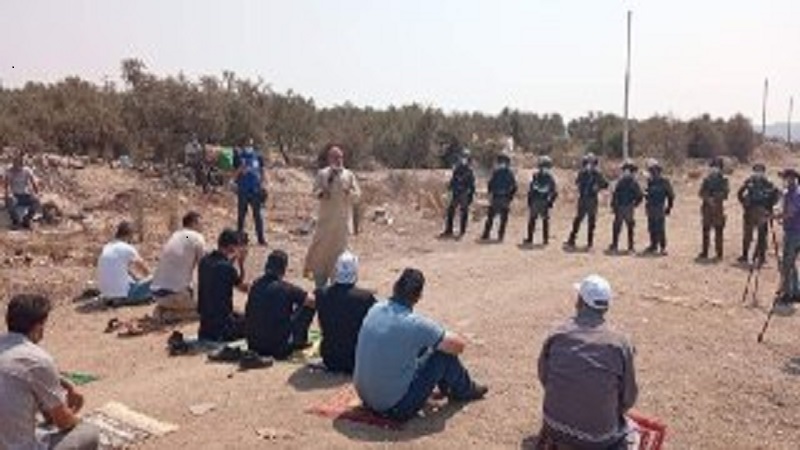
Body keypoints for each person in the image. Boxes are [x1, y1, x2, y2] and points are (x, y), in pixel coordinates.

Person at [354, 268, 488, 421]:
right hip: (395, 407)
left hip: (365, 397)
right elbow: (458, 346)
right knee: (443, 355)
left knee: (423, 346)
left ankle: (449, 387)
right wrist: (438, 334)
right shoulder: (415, 324)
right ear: (418, 297)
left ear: (395, 287)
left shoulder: (375, 309)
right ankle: (465, 390)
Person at [536, 275, 638, 450]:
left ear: (579, 301)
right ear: (606, 306)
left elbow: (544, 377)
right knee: (633, 432)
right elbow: (628, 397)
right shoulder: (621, 343)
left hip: (554, 428)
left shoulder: (557, 334)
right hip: (598, 439)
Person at [0, 294, 100, 450]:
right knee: (89, 432)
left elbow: (18, 371)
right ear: (38, 326)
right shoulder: (38, 358)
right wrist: (75, 418)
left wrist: (65, 383)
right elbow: (64, 423)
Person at [303, 144, 361, 288]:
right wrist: (323, 192)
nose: (338, 160)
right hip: (325, 225)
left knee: (339, 258)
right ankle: (320, 288)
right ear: (329, 159)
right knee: (320, 256)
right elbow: (314, 192)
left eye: (340, 157)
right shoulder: (322, 174)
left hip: (341, 227)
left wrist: (348, 192)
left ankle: (337, 290)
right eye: (335, 157)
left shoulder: (349, 175)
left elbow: (357, 196)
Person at [245, 250, 316, 359]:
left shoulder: (255, 285)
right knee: (308, 305)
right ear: (283, 269)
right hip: (278, 349)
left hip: (254, 345)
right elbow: (312, 301)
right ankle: (299, 340)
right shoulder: (286, 288)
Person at [316, 251, 376, 373]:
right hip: (355, 360)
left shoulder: (321, 294)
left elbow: (322, 324)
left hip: (330, 358)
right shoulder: (365, 298)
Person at [151, 211, 206, 322]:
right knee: (209, 309)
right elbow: (205, 267)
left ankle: (162, 310)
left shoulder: (175, 235)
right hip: (174, 295)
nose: (203, 226)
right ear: (194, 223)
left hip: (157, 295)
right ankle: (170, 315)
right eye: (201, 223)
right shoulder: (197, 237)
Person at [197, 229, 249, 342]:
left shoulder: (204, 261)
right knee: (252, 322)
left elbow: (223, 272)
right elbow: (242, 287)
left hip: (205, 326)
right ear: (231, 247)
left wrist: (233, 260)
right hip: (223, 328)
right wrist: (241, 264)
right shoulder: (228, 268)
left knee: (237, 315)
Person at [96, 221, 152, 306]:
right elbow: (145, 271)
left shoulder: (107, 247)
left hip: (106, 294)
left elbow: (124, 270)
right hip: (125, 296)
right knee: (156, 279)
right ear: (130, 235)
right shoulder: (127, 248)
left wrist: (137, 279)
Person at [737, 163, 780, 265]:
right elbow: (740, 193)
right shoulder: (749, 182)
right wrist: (744, 203)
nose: (758, 173)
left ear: (764, 172)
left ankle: (761, 257)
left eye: (760, 171)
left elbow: (776, 195)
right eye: (756, 170)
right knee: (747, 234)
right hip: (750, 211)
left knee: (762, 235)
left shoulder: (768, 183)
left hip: (763, 211)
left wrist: (770, 206)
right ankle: (745, 255)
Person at [565, 153, 609, 249]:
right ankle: (572, 240)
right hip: (583, 199)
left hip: (591, 199)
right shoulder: (583, 173)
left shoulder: (597, 173)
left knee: (591, 221)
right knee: (578, 220)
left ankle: (589, 242)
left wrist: (598, 187)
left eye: (591, 162)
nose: (589, 164)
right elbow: (577, 183)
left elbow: (605, 184)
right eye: (588, 162)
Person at [233, 138, 267, 245]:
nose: (249, 146)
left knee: (258, 216)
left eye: (250, 144)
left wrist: (263, 185)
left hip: (255, 191)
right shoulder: (238, 156)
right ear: (243, 145)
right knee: (241, 215)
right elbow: (234, 173)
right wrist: (240, 170)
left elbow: (262, 171)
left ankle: (261, 239)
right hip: (243, 190)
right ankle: (239, 239)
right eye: (247, 144)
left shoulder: (258, 156)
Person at [607, 160, 643, 253]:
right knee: (628, 226)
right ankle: (629, 247)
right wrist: (635, 204)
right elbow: (639, 195)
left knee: (619, 227)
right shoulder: (631, 182)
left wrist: (614, 206)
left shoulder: (622, 181)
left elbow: (615, 194)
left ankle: (616, 245)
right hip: (627, 206)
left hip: (622, 207)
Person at [698, 157, 730, 260]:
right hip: (706, 209)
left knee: (718, 232)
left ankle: (719, 253)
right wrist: (708, 198)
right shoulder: (706, 180)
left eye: (716, 167)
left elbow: (725, 194)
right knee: (705, 231)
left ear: (720, 168)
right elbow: (701, 193)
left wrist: (714, 197)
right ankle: (705, 252)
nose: (714, 169)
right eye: (712, 167)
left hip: (718, 209)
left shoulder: (724, 180)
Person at [481, 153, 518, 241]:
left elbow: (514, 186)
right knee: (490, 217)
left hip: (504, 197)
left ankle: (500, 235)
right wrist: (490, 194)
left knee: (503, 219)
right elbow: (490, 184)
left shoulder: (509, 173)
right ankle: (486, 234)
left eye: (503, 162)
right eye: (500, 162)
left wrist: (510, 197)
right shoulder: (496, 172)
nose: (501, 163)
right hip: (496, 197)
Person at [440, 149, 476, 238]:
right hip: (456, 193)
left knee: (464, 212)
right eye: (462, 156)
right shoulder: (457, 169)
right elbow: (453, 180)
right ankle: (449, 230)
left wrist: (471, 196)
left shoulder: (469, 170)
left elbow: (472, 185)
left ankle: (462, 231)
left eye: (465, 157)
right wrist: (449, 188)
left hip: (464, 193)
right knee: (451, 210)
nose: (463, 159)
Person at [777, 169, 800, 303]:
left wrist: (775, 217)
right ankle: (796, 292)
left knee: (787, 263)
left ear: (793, 178)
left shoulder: (796, 194)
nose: (785, 181)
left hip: (794, 232)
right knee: (791, 263)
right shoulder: (789, 193)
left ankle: (787, 294)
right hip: (791, 230)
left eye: (787, 178)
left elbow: (790, 212)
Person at [643, 159, 675, 255]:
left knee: (660, 228)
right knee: (651, 227)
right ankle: (653, 246)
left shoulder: (664, 181)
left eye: (654, 170)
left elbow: (671, 195)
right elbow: (648, 194)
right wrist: (646, 194)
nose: (653, 173)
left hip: (659, 207)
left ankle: (662, 247)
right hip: (651, 207)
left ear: (658, 171)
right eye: (651, 171)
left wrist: (669, 207)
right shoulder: (650, 181)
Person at [523, 155, 558, 245]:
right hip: (542, 200)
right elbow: (554, 192)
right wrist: (551, 202)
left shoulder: (538, 176)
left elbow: (531, 189)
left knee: (535, 220)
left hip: (538, 200)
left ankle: (532, 239)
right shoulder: (548, 177)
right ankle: (543, 239)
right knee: (542, 220)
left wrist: (529, 201)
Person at [4, 152, 41, 229]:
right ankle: (16, 221)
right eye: (16, 161)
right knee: (9, 201)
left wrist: (37, 193)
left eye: (20, 161)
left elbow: (34, 182)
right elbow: (7, 186)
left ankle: (27, 220)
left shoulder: (27, 170)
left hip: (25, 194)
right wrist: (8, 194)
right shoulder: (9, 171)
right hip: (15, 195)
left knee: (36, 201)